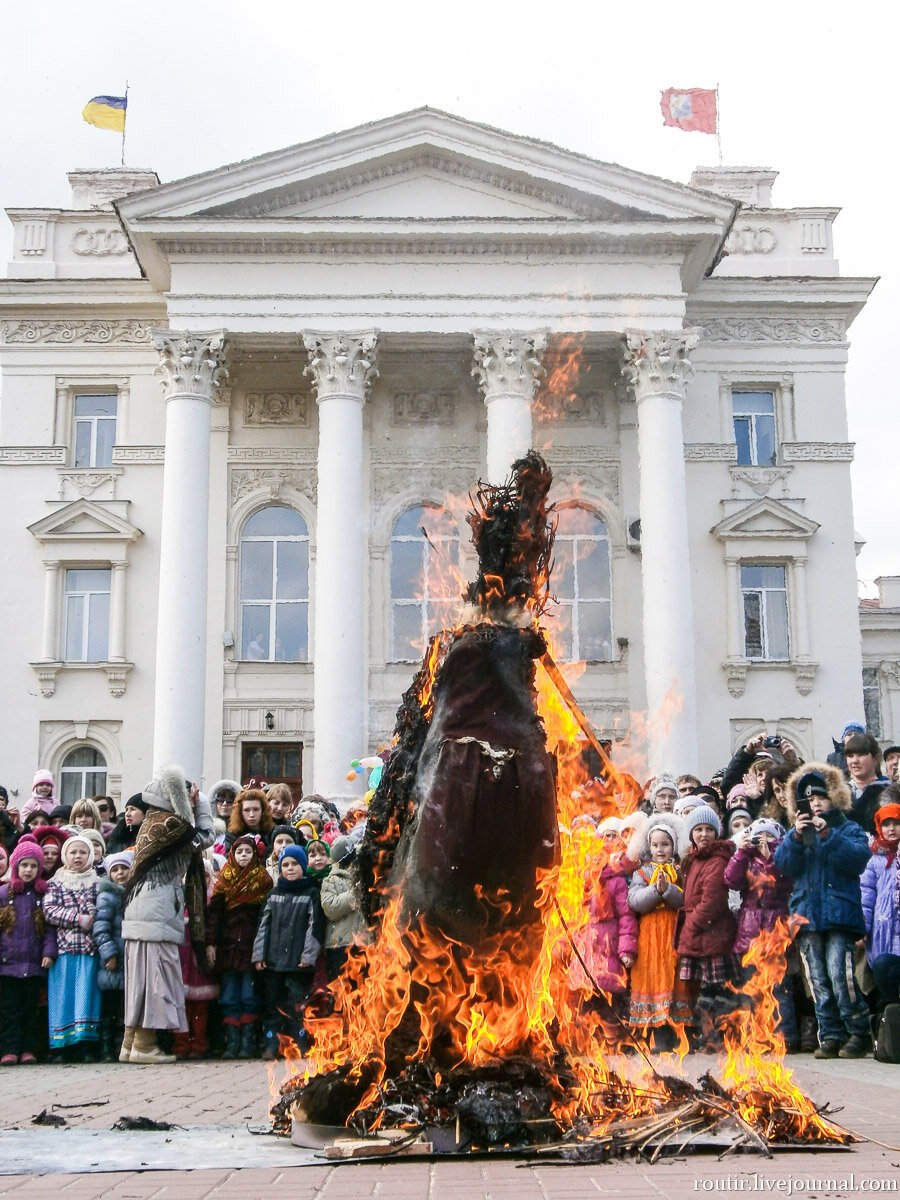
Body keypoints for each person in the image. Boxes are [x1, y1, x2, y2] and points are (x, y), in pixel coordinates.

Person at [774, 764, 872, 1058]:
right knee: (816, 979)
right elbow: (783, 866)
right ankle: (829, 1034)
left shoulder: (848, 828)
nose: (815, 804)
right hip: (806, 916)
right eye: (809, 800)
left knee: (840, 974)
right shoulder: (797, 831)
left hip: (839, 916)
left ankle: (857, 1031)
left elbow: (857, 859)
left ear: (834, 798)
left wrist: (828, 834)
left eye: (821, 797)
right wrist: (794, 838)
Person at [121, 766, 214, 1065]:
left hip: (142, 907)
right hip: (157, 905)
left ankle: (130, 1044)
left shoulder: (153, 821)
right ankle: (144, 1046)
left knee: (140, 978)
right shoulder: (171, 824)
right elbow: (204, 837)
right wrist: (202, 805)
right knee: (155, 977)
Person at [724, 818, 798, 1051]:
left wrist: (772, 853)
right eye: (758, 836)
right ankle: (753, 1037)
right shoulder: (746, 858)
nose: (762, 841)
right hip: (750, 932)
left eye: (768, 836)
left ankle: (786, 1037)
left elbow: (781, 879)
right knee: (751, 987)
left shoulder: (783, 858)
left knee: (779, 987)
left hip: (777, 931)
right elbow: (730, 880)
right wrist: (741, 852)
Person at [674, 805, 737, 1051]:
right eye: (698, 829)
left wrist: (692, 926)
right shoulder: (695, 859)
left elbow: (712, 901)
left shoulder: (716, 861)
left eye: (709, 829)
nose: (703, 834)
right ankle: (709, 1036)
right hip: (700, 934)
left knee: (717, 991)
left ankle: (720, 1038)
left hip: (710, 934)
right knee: (705, 990)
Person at [206, 835, 272, 1059]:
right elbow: (214, 917)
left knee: (249, 994)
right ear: (231, 855)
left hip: (251, 948)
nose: (244, 856)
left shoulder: (263, 882)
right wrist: (211, 944)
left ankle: (248, 1042)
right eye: (239, 852)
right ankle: (232, 1041)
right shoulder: (224, 883)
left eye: (248, 852)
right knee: (229, 996)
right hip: (228, 947)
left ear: (256, 855)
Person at [627, 814, 690, 1048]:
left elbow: (685, 900)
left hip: (672, 931)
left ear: (673, 845)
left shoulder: (679, 871)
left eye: (665, 844)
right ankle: (649, 1033)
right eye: (655, 845)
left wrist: (668, 891)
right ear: (649, 846)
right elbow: (634, 901)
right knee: (650, 976)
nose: (660, 849)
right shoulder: (641, 873)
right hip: (649, 933)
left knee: (674, 976)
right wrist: (656, 890)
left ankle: (674, 1034)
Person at [253, 844, 322, 1060]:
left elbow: (314, 928)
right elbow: (262, 926)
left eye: (295, 864)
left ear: (303, 866)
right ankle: (272, 1043)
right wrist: (259, 956)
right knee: (273, 1005)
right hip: (273, 962)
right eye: (285, 865)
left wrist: (308, 957)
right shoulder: (273, 894)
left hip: (298, 963)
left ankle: (299, 1043)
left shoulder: (311, 894)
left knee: (297, 1006)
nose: (290, 869)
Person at [568, 840, 638, 1047]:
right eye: (591, 854)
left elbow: (626, 917)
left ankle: (613, 1039)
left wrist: (626, 948)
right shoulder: (581, 880)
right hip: (586, 944)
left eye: (601, 853)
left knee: (610, 998)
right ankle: (587, 1040)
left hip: (609, 942)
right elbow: (572, 916)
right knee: (585, 997)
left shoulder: (616, 882)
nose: (596, 858)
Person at [44, 834, 101, 1062]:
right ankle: (62, 1046)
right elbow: (50, 911)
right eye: (73, 852)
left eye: (83, 852)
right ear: (65, 855)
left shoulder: (96, 882)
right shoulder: (56, 882)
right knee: (63, 997)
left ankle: (85, 1044)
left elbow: (101, 909)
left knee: (86, 997)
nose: (78, 856)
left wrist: (93, 915)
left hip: (89, 949)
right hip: (64, 949)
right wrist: (78, 918)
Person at [0, 837, 56, 1064]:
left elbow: (49, 930)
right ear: (15, 866)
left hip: (33, 965)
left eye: (34, 866)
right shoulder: (4, 895)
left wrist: (48, 953)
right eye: (24, 865)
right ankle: (9, 1050)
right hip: (8, 965)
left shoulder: (43, 896)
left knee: (30, 1011)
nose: (29, 870)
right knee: (9, 1012)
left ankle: (28, 1050)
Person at [860, 788, 900, 1008]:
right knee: (884, 968)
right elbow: (866, 896)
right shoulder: (875, 860)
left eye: (896, 823)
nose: (891, 828)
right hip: (882, 933)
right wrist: (862, 927)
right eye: (886, 824)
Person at [94, 851, 132, 1062]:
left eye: (124, 868)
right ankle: (107, 1047)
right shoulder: (107, 896)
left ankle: (121, 1046)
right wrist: (109, 954)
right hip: (113, 960)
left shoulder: (134, 892)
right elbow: (101, 928)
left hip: (131, 959)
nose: (120, 873)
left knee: (127, 1007)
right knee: (110, 1006)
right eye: (115, 870)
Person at [320, 836, 367, 982]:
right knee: (340, 991)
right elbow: (331, 908)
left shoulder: (366, 875)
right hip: (339, 946)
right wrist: (355, 892)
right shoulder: (331, 880)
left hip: (364, 944)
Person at [842, 733, 889, 834]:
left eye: (861, 755)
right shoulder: (839, 793)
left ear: (875, 758)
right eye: (850, 756)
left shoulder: (889, 791)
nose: (855, 761)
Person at [221, 788, 273, 855]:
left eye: (256, 809)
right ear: (240, 812)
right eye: (247, 810)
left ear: (263, 810)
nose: (251, 815)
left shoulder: (271, 832)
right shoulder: (232, 834)